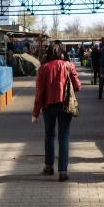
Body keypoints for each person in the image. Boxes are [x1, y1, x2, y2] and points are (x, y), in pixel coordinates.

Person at [31, 42, 81, 181]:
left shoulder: (43, 68)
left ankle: (48, 166)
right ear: (61, 53)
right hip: (65, 105)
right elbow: (77, 87)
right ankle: (63, 171)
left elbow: (39, 93)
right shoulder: (68, 66)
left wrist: (35, 113)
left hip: (48, 107)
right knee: (64, 137)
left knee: (49, 135)